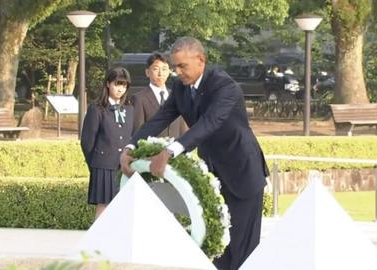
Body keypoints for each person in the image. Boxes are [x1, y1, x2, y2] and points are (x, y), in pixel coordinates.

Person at [119, 37, 269, 270]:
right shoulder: (180, 88)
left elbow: (209, 123)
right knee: (217, 245)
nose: (177, 73)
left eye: (182, 66)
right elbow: (160, 118)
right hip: (213, 174)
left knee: (243, 251)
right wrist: (130, 147)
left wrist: (169, 152)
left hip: (243, 171)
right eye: (175, 66)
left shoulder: (224, 86)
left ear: (201, 60)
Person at [81, 67, 134, 220]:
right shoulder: (97, 108)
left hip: (124, 165)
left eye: (124, 86)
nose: (121, 89)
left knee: (124, 205)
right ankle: (97, 242)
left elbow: (132, 135)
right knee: (104, 205)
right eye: (117, 84)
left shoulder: (129, 109)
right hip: (103, 165)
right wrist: (95, 164)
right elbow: (87, 141)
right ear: (108, 84)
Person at [131, 52, 187, 138]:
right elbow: (138, 130)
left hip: (175, 149)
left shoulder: (177, 95)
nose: (160, 73)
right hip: (151, 150)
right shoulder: (139, 98)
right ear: (147, 72)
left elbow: (183, 128)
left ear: (169, 72)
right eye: (156, 69)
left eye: (164, 69)